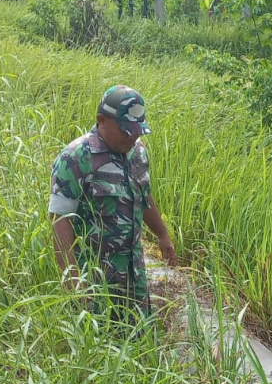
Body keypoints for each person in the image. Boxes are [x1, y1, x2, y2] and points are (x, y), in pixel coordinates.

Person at [48, 84, 177, 322]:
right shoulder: (75, 158)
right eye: (125, 130)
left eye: (137, 131)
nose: (133, 137)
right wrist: (73, 279)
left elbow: (143, 193)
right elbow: (59, 219)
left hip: (134, 275)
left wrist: (162, 234)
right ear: (102, 120)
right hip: (94, 278)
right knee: (99, 348)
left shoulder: (137, 152)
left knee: (139, 341)